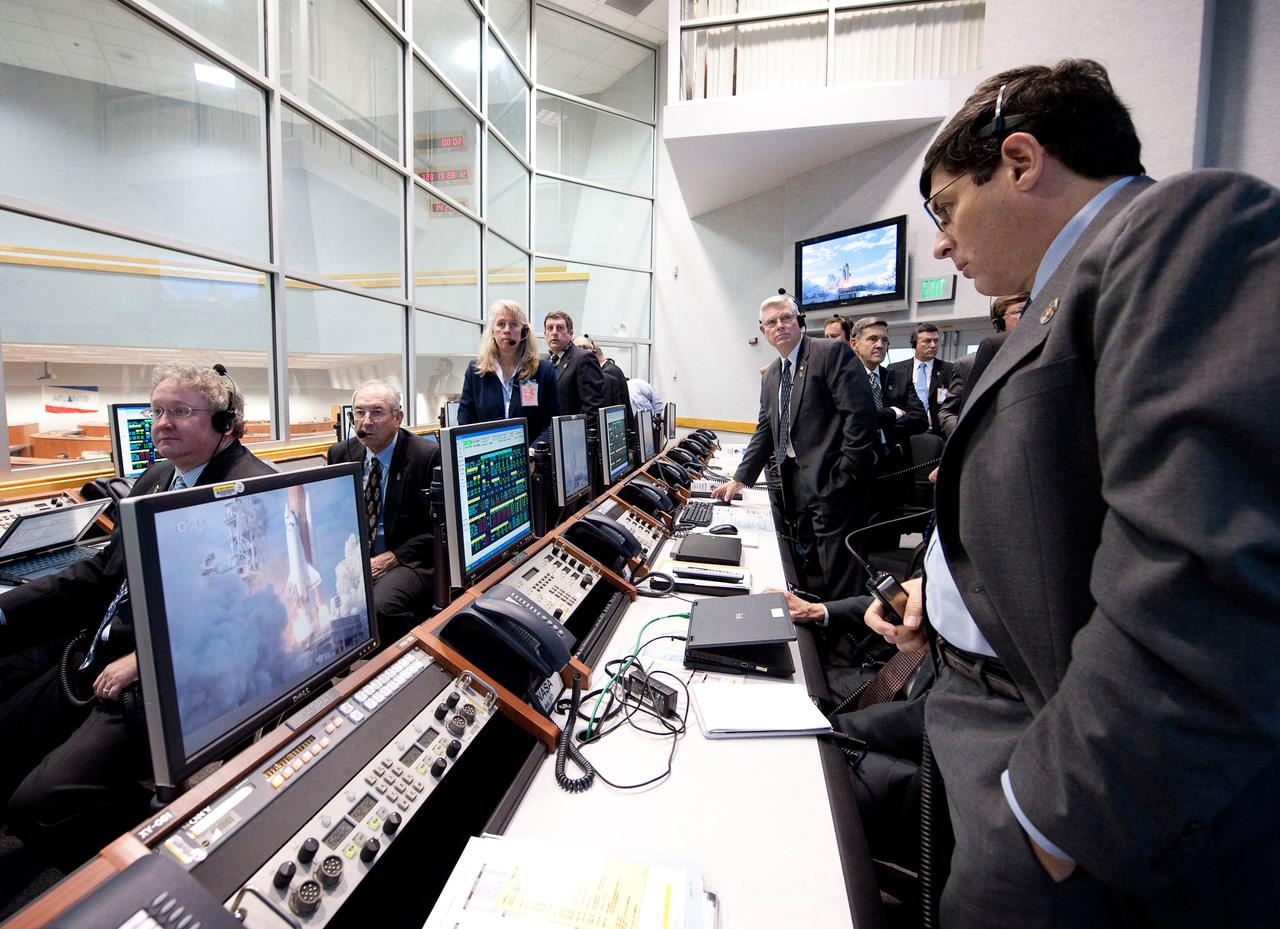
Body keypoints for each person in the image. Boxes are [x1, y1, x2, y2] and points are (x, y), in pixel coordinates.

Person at [865, 59, 1280, 928]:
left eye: (944, 208)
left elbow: (1205, 574)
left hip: (1074, 797)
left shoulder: (1178, 227)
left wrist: (1051, 822)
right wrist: (938, 604)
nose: (940, 242)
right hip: (986, 723)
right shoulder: (1058, 296)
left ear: (1020, 161)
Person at [0, 363, 274, 871]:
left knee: (38, 807)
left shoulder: (251, 491)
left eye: (180, 412)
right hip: (100, 652)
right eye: (157, 411)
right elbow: (104, 573)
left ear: (224, 424)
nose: (162, 423)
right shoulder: (156, 477)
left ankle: (163, 869)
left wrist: (142, 659)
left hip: (173, 672)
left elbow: (242, 616)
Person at [713, 294, 877, 600]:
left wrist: (845, 475)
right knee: (809, 564)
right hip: (794, 482)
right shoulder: (772, 374)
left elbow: (861, 417)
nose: (780, 326)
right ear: (763, 331)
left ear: (798, 320)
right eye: (772, 322)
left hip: (833, 481)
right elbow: (765, 429)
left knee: (841, 569)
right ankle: (818, 628)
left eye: (786, 318)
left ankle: (849, 638)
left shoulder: (830, 352)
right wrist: (741, 478)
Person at [326, 380, 439, 641]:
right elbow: (335, 518)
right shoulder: (341, 455)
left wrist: (393, 557)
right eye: (359, 413)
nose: (366, 421)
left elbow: (437, 529)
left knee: (380, 608)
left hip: (409, 557)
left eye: (377, 412)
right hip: (357, 557)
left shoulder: (426, 456)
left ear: (398, 418)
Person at [458, 300, 560, 444]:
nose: (507, 330)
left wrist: (533, 452)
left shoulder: (543, 371)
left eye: (513, 324)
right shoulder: (475, 371)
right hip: (488, 458)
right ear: (492, 331)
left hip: (531, 459)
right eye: (501, 324)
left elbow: (552, 423)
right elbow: (465, 421)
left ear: (523, 332)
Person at [937, 293, 1026, 438]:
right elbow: (948, 412)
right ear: (999, 323)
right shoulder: (968, 364)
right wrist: (967, 438)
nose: (1028, 315)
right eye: (1020, 311)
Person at [850, 316, 928, 460]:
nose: (880, 345)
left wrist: (878, 424)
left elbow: (921, 420)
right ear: (854, 344)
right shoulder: (843, 380)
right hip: (859, 465)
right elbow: (853, 421)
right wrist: (893, 413)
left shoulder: (900, 379)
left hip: (898, 462)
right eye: (873, 339)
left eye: (884, 340)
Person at [888, 324, 953, 436]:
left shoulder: (950, 370)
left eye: (936, 341)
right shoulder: (895, 370)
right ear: (914, 344)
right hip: (904, 433)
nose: (933, 345)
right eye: (927, 341)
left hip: (938, 435)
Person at [543, 310, 604, 418]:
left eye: (560, 328)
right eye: (550, 328)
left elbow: (593, 408)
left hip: (572, 432)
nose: (554, 332)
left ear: (570, 334)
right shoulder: (545, 362)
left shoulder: (583, 358)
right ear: (545, 334)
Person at [574, 336, 635, 425]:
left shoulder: (609, 380)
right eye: (578, 348)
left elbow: (615, 417)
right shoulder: (565, 381)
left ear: (593, 352)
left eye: (585, 347)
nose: (582, 351)